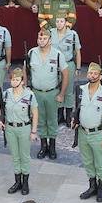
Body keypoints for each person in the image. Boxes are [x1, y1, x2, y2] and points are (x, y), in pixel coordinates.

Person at [72, 62, 102, 202]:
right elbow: (77, 109)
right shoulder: (80, 90)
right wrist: (74, 120)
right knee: (87, 161)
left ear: (100, 76)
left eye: (95, 73)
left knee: (100, 161)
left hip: (97, 133)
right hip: (83, 133)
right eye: (90, 73)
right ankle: (92, 186)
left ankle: (101, 187)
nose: (92, 76)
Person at [25, 28, 69, 160]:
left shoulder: (57, 55)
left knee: (52, 120)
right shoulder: (31, 53)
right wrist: (26, 89)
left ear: (50, 40)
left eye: (44, 38)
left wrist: (62, 93)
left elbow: (65, 74)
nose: (41, 41)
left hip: (52, 93)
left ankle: (52, 146)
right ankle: (44, 145)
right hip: (36, 93)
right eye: (40, 38)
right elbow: (25, 70)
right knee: (40, 119)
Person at [0, 67, 38, 195]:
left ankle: (25, 182)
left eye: (16, 79)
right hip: (10, 128)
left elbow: (35, 113)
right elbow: (0, 106)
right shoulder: (6, 93)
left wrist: (33, 131)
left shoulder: (29, 95)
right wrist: (0, 120)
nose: (14, 81)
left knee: (24, 156)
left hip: (24, 128)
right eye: (12, 79)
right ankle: (17, 182)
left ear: (22, 81)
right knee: (15, 156)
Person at [49, 15, 81, 125]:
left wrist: (78, 67)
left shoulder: (72, 34)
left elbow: (77, 52)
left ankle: (68, 114)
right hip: (55, 65)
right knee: (57, 89)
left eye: (61, 21)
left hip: (68, 64)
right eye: (57, 21)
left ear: (66, 22)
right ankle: (59, 114)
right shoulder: (51, 33)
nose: (59, 23)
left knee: (68, 90)